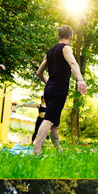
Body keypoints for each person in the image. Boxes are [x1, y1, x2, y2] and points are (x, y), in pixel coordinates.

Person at [34, 25, 87, 155]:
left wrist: (48, 83)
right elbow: (73, 63)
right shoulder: (66, 48)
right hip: (59, 89)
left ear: (58, 37)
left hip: (49, 89)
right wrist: (80, 79)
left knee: (54, 125)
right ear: (71, 37)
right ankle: (36, 152)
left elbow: (39, 72)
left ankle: (60, 153)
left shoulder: (50, 51)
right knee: (48, 120)